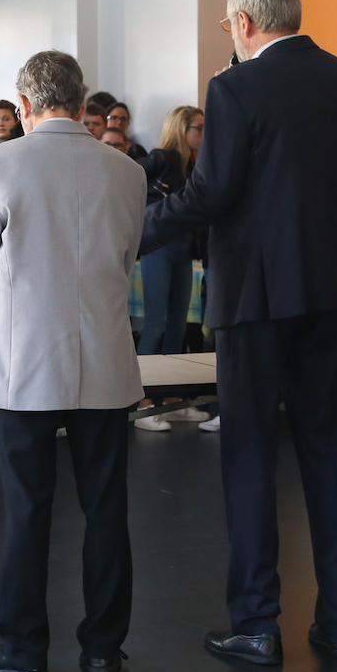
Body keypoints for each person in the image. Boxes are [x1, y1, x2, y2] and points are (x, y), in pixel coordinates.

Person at [141, 0, 337, 664]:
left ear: (242, 22)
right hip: (325, 287)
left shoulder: (234, 88)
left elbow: (212, 193)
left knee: (249, 454)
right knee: (328, 450)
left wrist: (134, 229)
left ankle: (257, 622)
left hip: (253, 296)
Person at [0, 51, 146, 672]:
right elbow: (125, 262)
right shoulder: (127, 171)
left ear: (25, 104)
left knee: (27, 510)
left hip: (24, 363)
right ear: (82, 100)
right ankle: (103, 650)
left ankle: (23, 651)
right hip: (105, 358)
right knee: (106, 508)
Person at [133, 106, 216, 432]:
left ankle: (171, 400)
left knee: (177, 328)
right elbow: (128, 174)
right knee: (155, 326)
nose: (203, 134)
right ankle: (142, 404)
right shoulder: (163, 157)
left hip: (182, 252)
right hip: (158, 249)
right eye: (199, 127)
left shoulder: (193, 164)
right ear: (182, 129)